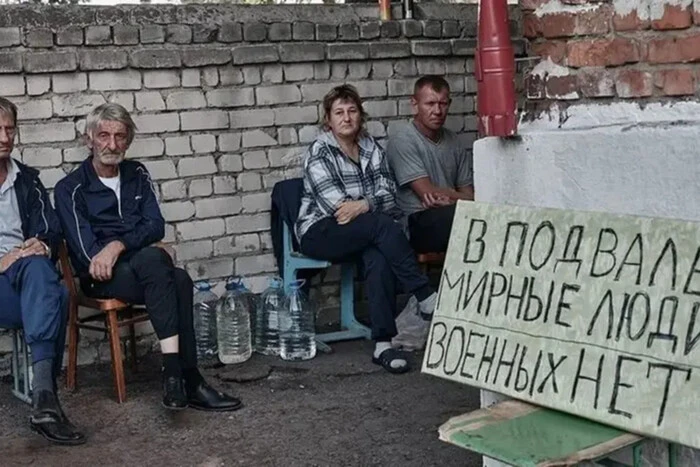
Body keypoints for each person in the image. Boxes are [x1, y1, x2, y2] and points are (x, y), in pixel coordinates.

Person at [54, 103, 241, 412]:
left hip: (143, 270)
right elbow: (89, 254)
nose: (112, 145)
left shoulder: (136, 173)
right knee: (162, 266)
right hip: (100, 278)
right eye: (103, 136)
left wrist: (116, 245)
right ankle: (182, 376)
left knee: (176, 277)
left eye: (120, 136)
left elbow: (155, 225)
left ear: (128, 141)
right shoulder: (70, 189)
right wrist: (123, 248)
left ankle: (183, 379)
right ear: (89, 139)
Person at [295, 85, 438, 374]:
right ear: (328, 120)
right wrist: (368, 205)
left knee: (378, 255)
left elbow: (389, 194)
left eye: (352, 111)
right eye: (339, 113)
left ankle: (383, 344)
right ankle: (424, 295)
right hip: (319, 232)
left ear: (360, 115)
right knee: (381, 226)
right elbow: (337, 207)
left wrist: (363, 205)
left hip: (365, 230)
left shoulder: (371, 147)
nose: (346, 118)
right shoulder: (319, 151)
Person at [0, 97, 85, 445]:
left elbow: (51, 229)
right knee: (58, 294)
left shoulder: (27, 180)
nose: (5, 137)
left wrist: (41, 245)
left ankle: (45, 400)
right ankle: (46, 398)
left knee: (38, 269)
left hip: (24, 279)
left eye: (9, 129)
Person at [386, 75, 475, 254]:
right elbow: (428, 194)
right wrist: (458, 197)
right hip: (416, 223)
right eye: (430, 104)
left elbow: (471, 197)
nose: (437, 111)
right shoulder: (403, 140)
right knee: (468, 219)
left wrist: (450, 197)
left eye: (443, 104)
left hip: (452, 214)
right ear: (415, 104)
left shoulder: (454, 141)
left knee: (487, 217)